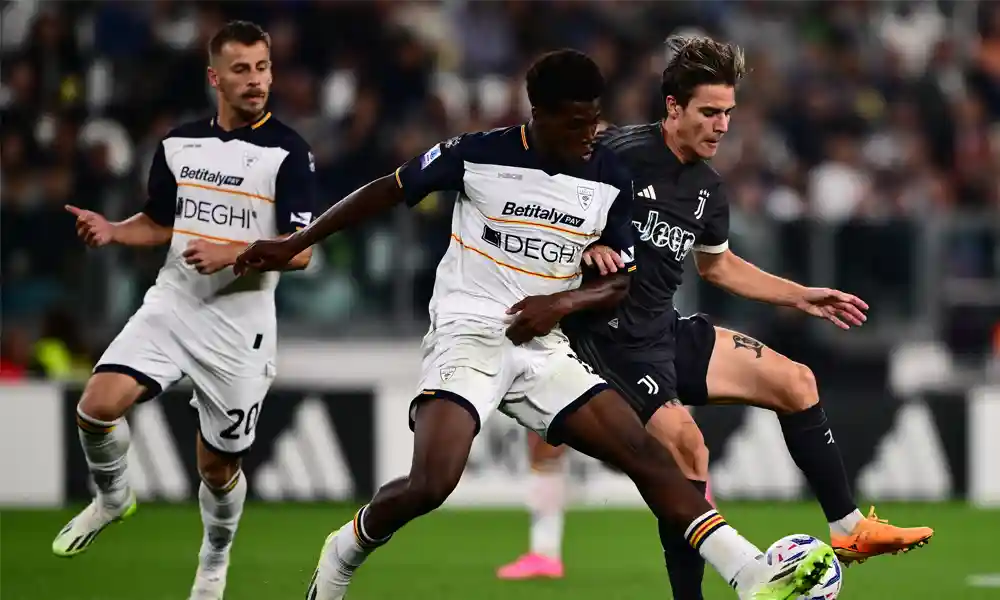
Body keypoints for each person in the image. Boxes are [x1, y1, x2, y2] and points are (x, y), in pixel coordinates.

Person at [236, 48, 835, 600]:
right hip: (469, 333)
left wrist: (562, 305)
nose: (587, 135)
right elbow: (386, 192)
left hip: (545, 345)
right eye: (574, 123)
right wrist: (298, 239)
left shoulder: (607, 176)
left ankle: (751, 572)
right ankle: (343, 550)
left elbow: (620, 279)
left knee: (647, 455)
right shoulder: (478, 153)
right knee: (431, 484)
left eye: (594, 120)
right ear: (539, 116)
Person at [495, 36, 934, 598]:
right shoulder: (616, 153)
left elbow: (719, 267)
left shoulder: (708, 188)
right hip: (605, 342)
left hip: (662, 330)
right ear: (673, 108)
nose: (722, 125)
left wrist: (799, 295)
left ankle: (848, 530)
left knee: (796, 382)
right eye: (709, 112)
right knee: (688, 446)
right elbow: (539, 193)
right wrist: (571, 251)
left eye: (728, 112)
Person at [52, 21, 318, 600]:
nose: (255, 81)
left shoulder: (288, 152)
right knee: (96, 406)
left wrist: (235, 253)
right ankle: (113, 497)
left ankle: (214, 559)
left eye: (263, 67)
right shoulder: (178, 144)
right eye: (242, 69)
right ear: (214, 76)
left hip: (238, 329)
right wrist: (113, 232)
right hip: (172, 307)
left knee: (217, 471)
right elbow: (159, 221)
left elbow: (303, 252)